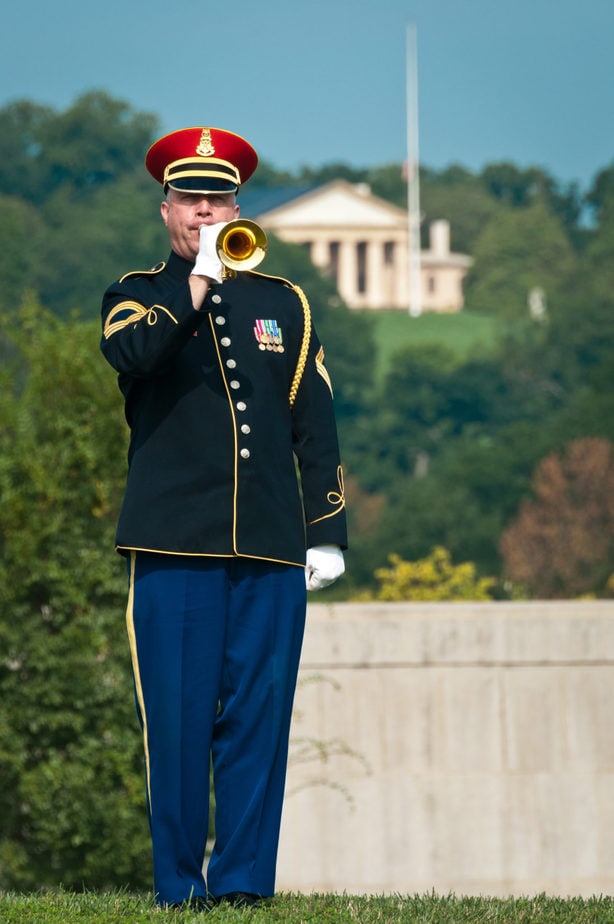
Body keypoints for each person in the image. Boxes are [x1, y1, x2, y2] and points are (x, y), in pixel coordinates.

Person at [100, 126, 347, 911]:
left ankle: (242, 886)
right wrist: (196, 282)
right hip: (172, 547)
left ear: (238, 204)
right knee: (175, 725)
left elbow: (314, 421)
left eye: (219, 199)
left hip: (271, 548)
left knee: (258, 723)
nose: (205, 212)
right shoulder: (134, 296)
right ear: (165, 208)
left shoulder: (284, 303)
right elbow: (137, 359)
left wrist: (326, 531)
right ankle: (179, 888)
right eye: (190, 199)